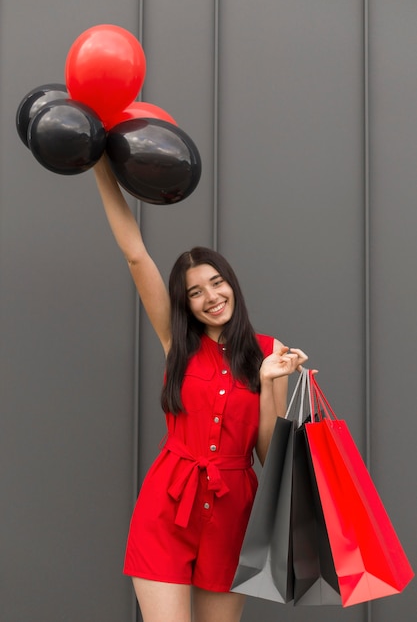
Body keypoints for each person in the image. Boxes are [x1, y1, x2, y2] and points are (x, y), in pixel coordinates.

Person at [93, 155, 309, 622]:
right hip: (167, 508)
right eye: (195, 292)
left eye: (217, 283)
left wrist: (272, 383)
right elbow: (135, 254)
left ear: (232, 284)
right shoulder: (178, 345)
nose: (211, 297)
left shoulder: (268, 351)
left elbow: (269, 459)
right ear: (185, 304)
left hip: (233, 516)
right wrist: (98, 166)